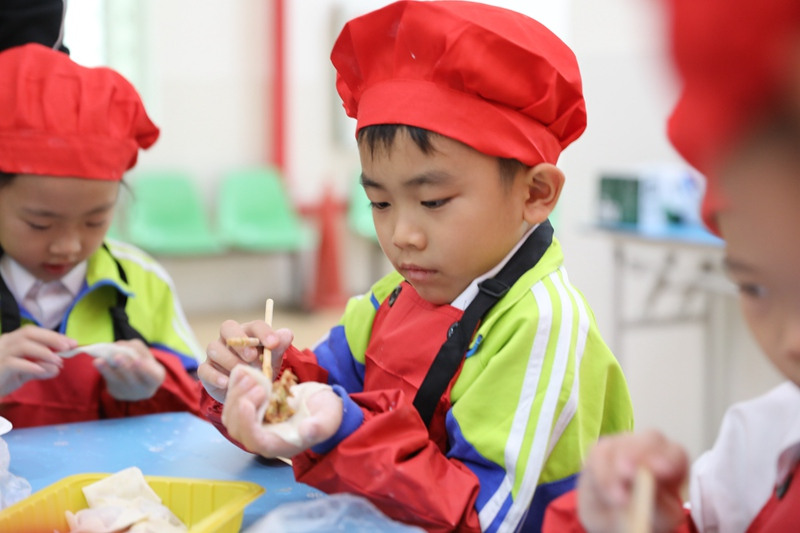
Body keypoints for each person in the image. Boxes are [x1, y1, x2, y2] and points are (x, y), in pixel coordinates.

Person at [199, 2, 633, 531]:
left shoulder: (542, 325)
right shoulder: (394, 297)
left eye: (433, 202)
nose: (402, 235)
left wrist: (343, 430)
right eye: (380, 203)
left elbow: (485, 515)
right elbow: (331, 385)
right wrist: (262, 382)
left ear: (535, 193)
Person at [542, 0, 800, 531]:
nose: (793, 338)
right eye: (757, 287)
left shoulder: (545, 320)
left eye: (434, 199)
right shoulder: (763, 442)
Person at [0, 43, 204, 428]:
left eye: (95, 221)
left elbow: (204, 406)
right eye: (39, 224)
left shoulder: (141, 282)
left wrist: (154, 385)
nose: (68, 246)